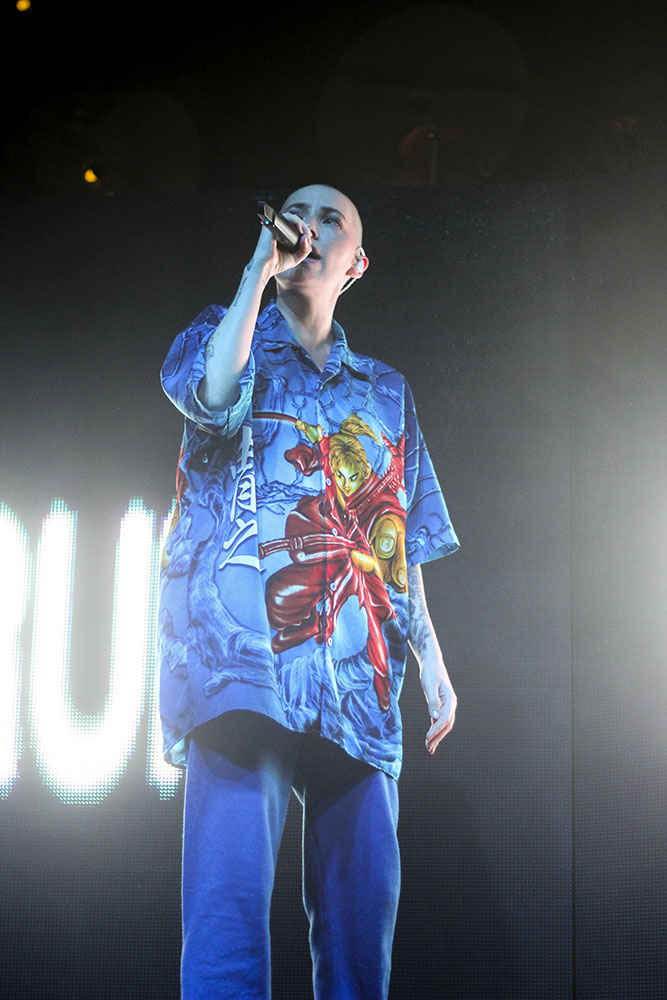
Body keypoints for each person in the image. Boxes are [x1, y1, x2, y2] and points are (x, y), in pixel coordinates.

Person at [158, 184, 460, 1000]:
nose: (310, 228)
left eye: (332, 220)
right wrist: (257, 273)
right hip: (240, 668)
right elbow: (211, 397)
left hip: (356, 679)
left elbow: (399, 536)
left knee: (362, 950)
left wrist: (429, 660)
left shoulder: (386, 392)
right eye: (299, 214)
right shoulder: (224, 337)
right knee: (225, 938)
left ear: (356, 263)